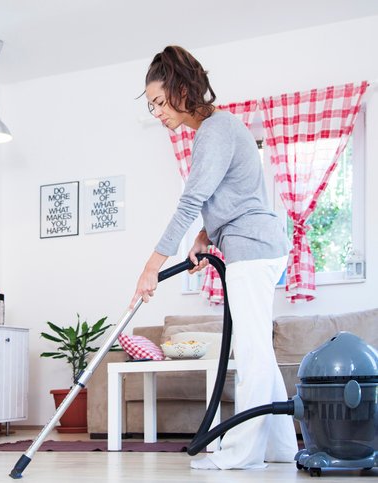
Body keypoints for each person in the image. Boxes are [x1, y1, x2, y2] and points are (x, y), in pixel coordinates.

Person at [132, 45, 298, 470]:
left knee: (251, 352)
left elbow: (191, 201)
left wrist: (151, 267)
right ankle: (281, 447)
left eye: (158, 101)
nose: (156, 113)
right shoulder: (219, 130)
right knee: (259, 350)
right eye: (150, 105)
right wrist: (205, 236)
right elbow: (234, 195)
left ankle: (241, 454)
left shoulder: (216, 130)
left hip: (253, 248)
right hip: (255, 244)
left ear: (182, 89)